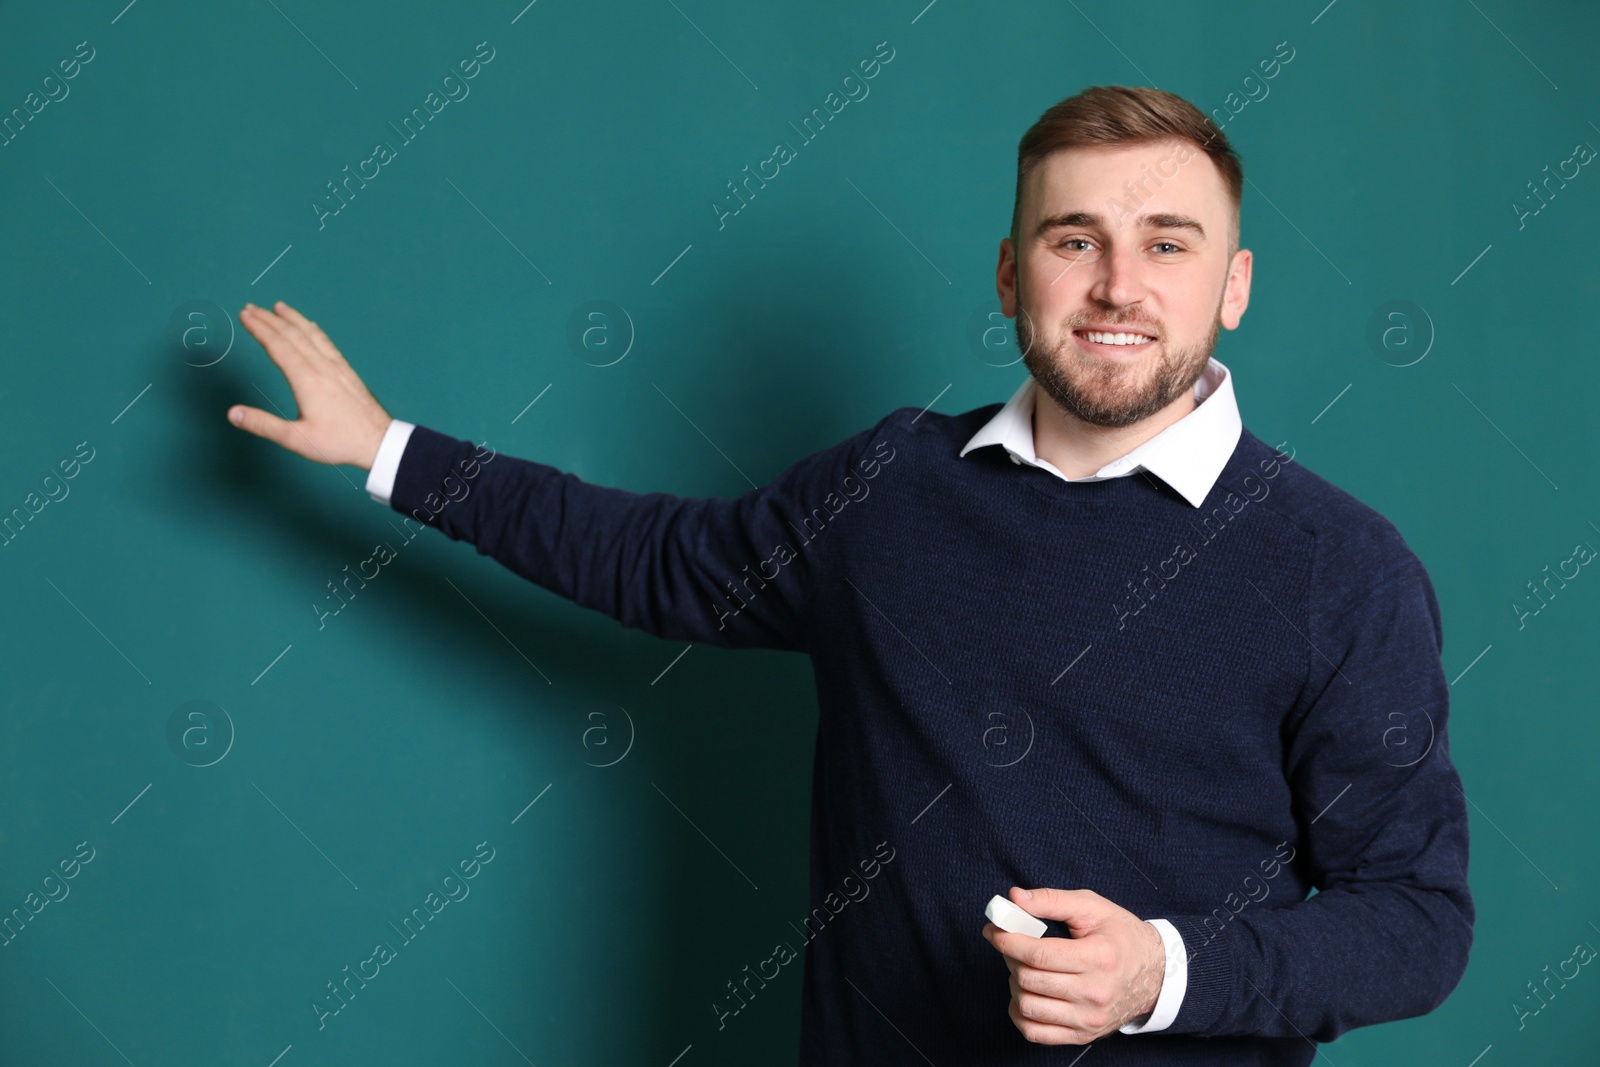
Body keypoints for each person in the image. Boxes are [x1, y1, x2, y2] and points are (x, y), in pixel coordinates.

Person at [226, 85, 1473, 1064]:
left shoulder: (1337, 567)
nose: (1116, 285)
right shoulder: (890, 486)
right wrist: (388, 448)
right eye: (1073, 237)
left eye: (1167, 243)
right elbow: (652, 560)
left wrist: (1160, 972)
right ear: (1008, 273)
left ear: (1233, 286)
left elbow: (1417, 922)